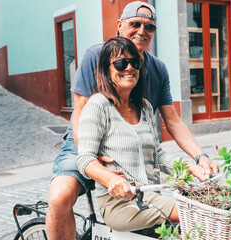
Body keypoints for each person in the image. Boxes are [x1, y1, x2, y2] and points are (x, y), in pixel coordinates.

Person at [46, 1, 219, 239]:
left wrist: (200, 158)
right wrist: (95, 158)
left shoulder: (155, 73)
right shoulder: (96, 56)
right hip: (84, 140)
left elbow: (173, 122)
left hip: (132, 146)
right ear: (120, 25)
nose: (142, 31)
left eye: (149, 27)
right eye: (135, 24)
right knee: (60, 197)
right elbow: (80, 113)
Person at [77, 36, 205, 231]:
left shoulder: (144, 107)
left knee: (205, 209)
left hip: (150, 196)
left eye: (134, 62)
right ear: (106, 70)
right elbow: (85, 159)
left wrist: (189, 167)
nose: (129, 68)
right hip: (119, 203)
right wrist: (111, 179)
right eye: (120, 63)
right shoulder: (97, 105)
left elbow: (157, 154)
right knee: (195, 214)